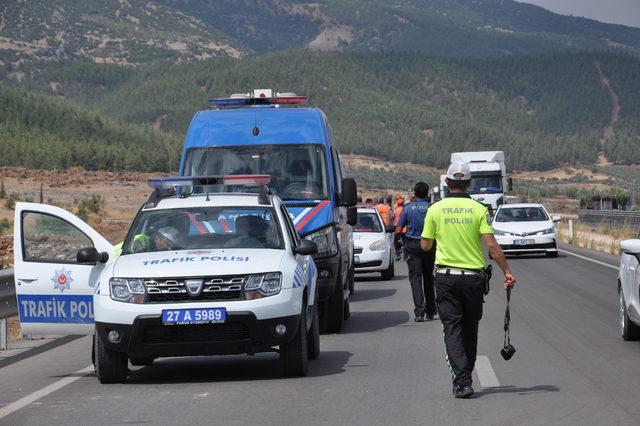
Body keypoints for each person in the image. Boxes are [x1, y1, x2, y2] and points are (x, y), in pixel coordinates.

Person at [420, 161, 516, 399]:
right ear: (470, 183)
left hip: (445, 278)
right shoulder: (479, 209)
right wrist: (506, 271)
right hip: (473, 279)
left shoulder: (435, 209)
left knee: (452, 329)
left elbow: (425, 245)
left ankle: (462, 381)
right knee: (470, 330)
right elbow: (492, 247)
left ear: (447, 182)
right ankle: (465, 377)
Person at [396, 182, 436, 322]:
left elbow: (399, 229)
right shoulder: (433, 208)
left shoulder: (407, 208)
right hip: (430, 245)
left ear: (415, 193)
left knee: (416, 278)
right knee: (428, 277)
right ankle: (431, 310)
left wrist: (397, 240)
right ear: (427, 194)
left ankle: (420, 312)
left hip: (413, 245)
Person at [393, 195, 407, 261]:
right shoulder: (405, 209)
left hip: (398, 229)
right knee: (405, 243)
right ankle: (405, 256)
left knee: (395, 242)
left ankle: (398, 255)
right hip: (405, 229)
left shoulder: (396, 210)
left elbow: (394, 219)